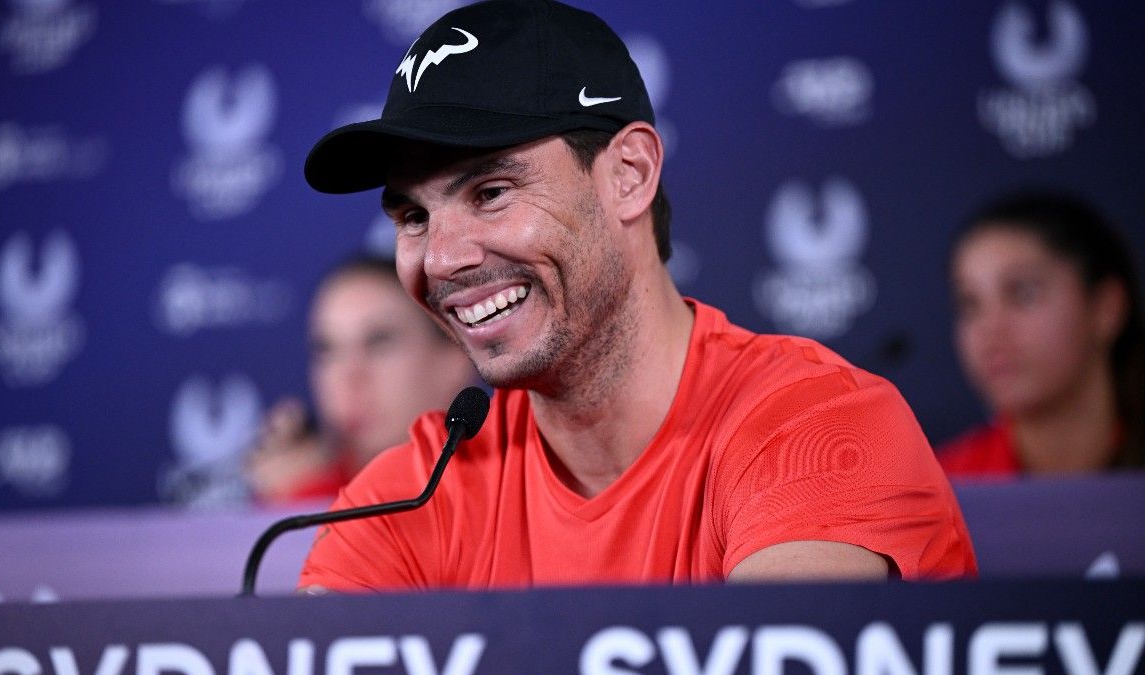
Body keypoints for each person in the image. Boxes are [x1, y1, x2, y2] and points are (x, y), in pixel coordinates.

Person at [298, 0, 976, 591]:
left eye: (491, 192)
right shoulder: (411, 493)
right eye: (414, 217)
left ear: (629, 174)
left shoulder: (818, 428)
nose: (442, 257)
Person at [938, 191, 1145, 476]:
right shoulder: (942, 485)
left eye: (1023, 293)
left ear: (1107, 307)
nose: (989, 329)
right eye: (970, 304)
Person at [247, 256, 475, 502]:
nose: (349, 375)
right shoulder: (290, 489)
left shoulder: (504, 487)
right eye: (327, 349)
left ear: (456, 357)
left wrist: (315, 496)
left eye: (379, 342)